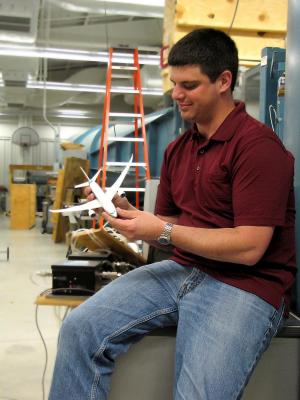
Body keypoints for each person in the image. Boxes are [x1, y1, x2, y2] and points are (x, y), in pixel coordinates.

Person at [49, 28, 296, 400]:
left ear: (224, 81)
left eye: (189, 85)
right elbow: (178, 224)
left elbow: (249, 247)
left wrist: (161, 231)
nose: (176, 94)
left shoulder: (258, 148)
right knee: (79, 329)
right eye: (174, 83)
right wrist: (132, 215)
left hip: (247, 284)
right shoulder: (179, 148)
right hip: (183, 269)